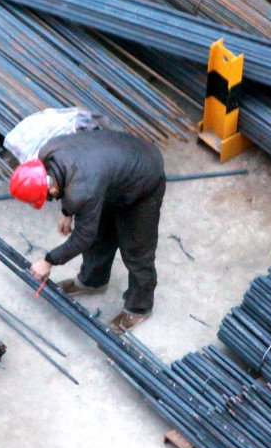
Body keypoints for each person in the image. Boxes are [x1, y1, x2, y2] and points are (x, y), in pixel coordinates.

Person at [9, 128, 165, 332]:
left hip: (144, 178)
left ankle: (139, 307)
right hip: (112, 171)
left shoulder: (83, 191)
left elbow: (83, 238)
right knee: (101, 233)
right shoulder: (49, 152)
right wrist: (67, 211)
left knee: (137, 251)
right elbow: (68, 181)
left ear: (52, 190)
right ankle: (93, 282)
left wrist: (48, 261)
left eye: (48, 198)